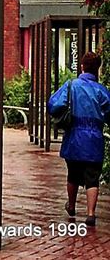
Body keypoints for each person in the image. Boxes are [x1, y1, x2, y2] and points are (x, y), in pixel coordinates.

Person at [48, 52, 110, 227]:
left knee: (73, 174)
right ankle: (90, 214)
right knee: (92, 176)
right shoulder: (102, 91)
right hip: (94, 138)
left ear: (82, 66)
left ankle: (72, 206)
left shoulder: (71, 85)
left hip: (74, 136)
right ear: (98, 68)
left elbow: (53, 105)